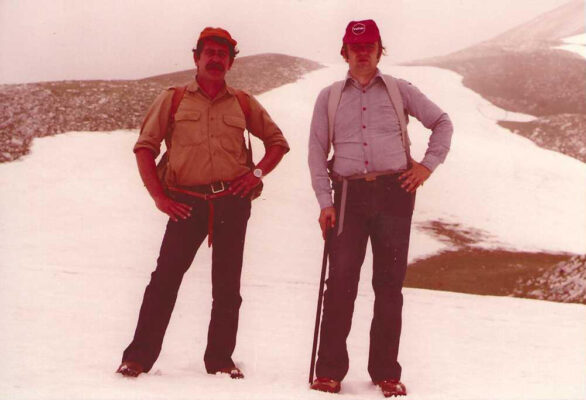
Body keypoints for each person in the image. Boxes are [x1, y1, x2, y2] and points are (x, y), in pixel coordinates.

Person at [117, 27, 289, 379]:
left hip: (232, 203)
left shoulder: (243, 102)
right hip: (185, 203)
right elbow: (145, 148)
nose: (215, 59)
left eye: (222, 54)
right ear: (196, 58)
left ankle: (221, 362)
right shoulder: (174, 99)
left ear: (231, 62)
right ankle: (137, 358)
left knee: (228, 286)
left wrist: (255, 174)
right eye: (209, 52)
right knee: (164, 281)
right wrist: (159, 197)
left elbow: (277, 142)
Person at [308, 20, 453, 397]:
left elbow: (442, 122)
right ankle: (329, 372)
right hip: (348, 195)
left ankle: (386, 372)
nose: (362, 53)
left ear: (379, 50)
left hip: (394, 194)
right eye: (355, 47)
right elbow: (316, 152)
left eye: (369, 46)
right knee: (340, 283)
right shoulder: (329, 97)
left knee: (389, 285)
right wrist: (325, 202)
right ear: (345, 51)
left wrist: (426, 166)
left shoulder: (399, 90)